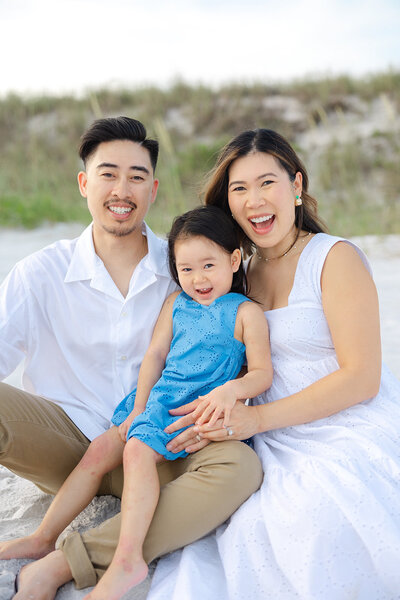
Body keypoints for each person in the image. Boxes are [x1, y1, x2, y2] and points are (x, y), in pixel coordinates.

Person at [0, 118, 264, 597]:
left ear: (154, 189)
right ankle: (49, 539)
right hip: (69, 446)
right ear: (84, 182)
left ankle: (68, 561)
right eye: (108, 173)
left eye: (137, 176)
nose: (122, 189)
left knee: (241, 469)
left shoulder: (185, 269)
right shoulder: (39, 273)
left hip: (162, 443)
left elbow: (237, 349)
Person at [148, 128, 400, 600]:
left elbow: (362, 377)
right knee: (231, 518)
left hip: (341, 419)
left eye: (267, 183)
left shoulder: (334, 258)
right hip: (258, 428)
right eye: (239, 189)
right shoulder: (231, 273)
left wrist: (254, 418)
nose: (255, 200)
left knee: (313, 517)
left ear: (297, 186)